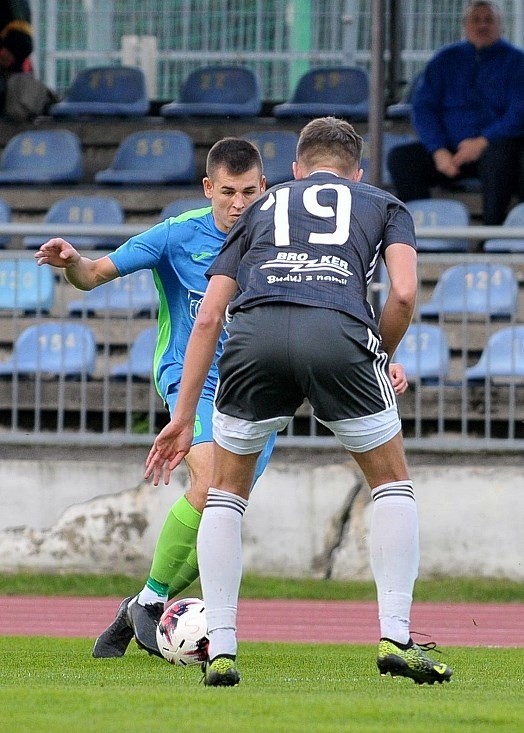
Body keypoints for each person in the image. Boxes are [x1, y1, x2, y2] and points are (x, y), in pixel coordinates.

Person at [144, 116, 454, 688]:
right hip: (337, 334)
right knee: (392, 484)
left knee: (225, 495)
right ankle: (396, 637)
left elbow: (210, 313)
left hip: (254, 338)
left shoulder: (259, 208)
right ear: (357, 172)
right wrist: (377, 356)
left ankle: (223, 652)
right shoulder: (383, 203)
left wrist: (184, 415)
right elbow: (405, 293)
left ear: (294, 171)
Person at [35, 137, 274, 659]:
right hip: (192, 380)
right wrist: (74, 260)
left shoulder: (278, 238)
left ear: (266, 186)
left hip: (257, 390)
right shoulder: (177, 234)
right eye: (228, 192)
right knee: (210, 484)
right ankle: (152, 605)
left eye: (250, 192)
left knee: (223, 513)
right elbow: (94, 275)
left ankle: (141, 603)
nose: (239, 204)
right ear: (208, 188)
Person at [387, 1, 524, 225]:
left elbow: (518, 112)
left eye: (488, 20)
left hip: (496, 149)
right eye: (476, 20)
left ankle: (492, 233)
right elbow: (424, 108)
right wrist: (438, 149)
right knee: (402, 158)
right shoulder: (444, 61)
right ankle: (420, 229)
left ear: (502, 26)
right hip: (450, 152)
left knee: (500, 157)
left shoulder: (517, 62)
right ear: (464, 25)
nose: (482, 26)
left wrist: (483, 141)